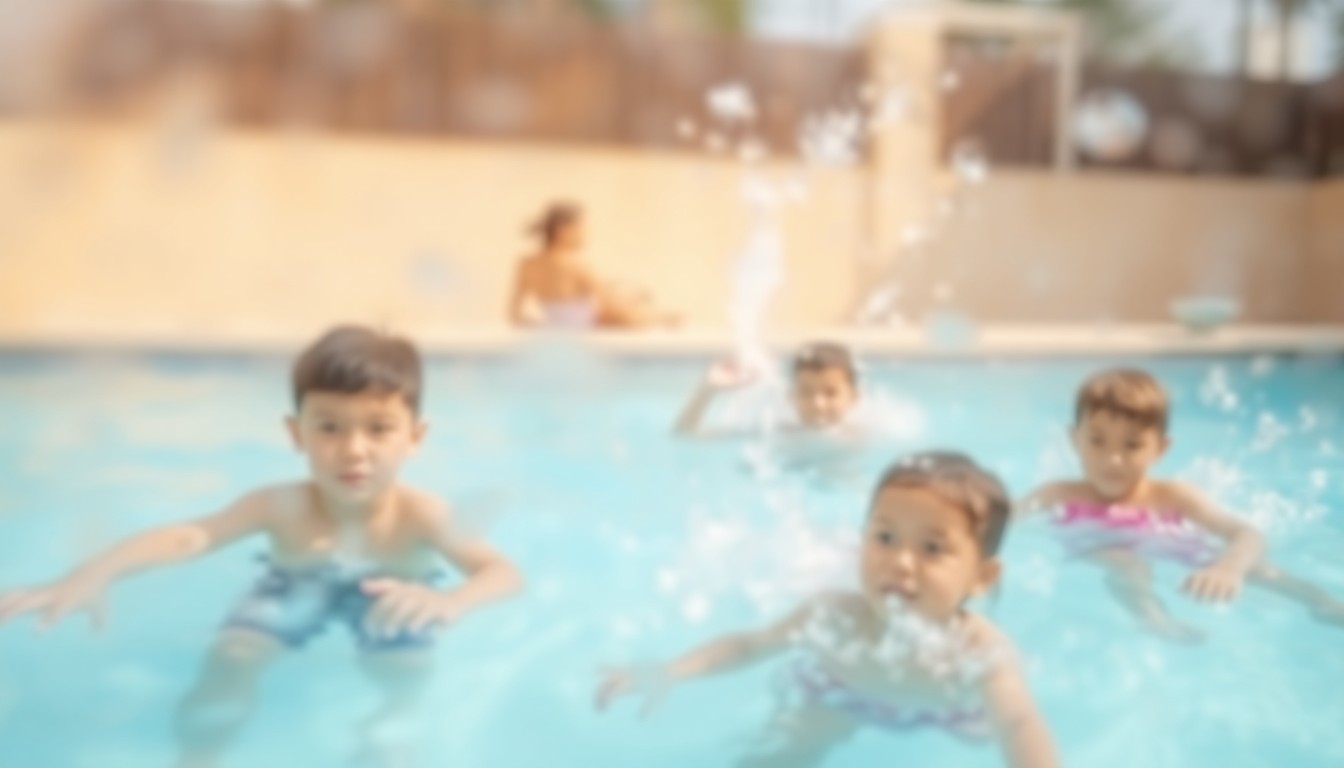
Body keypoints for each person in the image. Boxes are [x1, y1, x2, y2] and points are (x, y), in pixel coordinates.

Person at [0, 325, 524, 767]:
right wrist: (95, 571)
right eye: (329, 428)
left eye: (379, 428)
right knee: (232, 655)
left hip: (391, 593)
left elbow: (502, 572)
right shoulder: (277, 505)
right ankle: (198, 756)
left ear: (416, 436)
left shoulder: (423, 514)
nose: (354, 449)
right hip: (295, 583)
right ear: (296, 433)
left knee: (404, 672)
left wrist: (451, 601)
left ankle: (384, 736)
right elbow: (190, 536)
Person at [596, 451, 1058, 768]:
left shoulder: (980, 649)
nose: (899, 561)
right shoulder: (838, 615)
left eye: (932, 548)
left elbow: (1019, 722)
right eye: (885, 537)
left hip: (945, 713)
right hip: (840, 693)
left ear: (982, 577)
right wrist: (671, 670)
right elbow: (750, 644)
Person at [1018, 367, 1344, 643]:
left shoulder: (1172, 496)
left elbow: (1247, 533)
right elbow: (1005, 519)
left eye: (1131, 445)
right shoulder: (1057, 495)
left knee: (1257, 569)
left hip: (1175, 553)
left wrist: (1228, 568)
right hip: (1105, 557)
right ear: (1075, 439)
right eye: (1097, 440)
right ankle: (1153, 619)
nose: (1112, 459)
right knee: (1124, 561)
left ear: (1160, 448)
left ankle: (1325, 603)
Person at [507, 201, 679, 330]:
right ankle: (663, 314)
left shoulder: (526, 263)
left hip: (556, 325)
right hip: (588, 325)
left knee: (627, 293)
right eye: (581, 229)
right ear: (563, 231)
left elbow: (515, 315)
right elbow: (616, 308)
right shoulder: (575, 265)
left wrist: (543, 328)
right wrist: (659, 317)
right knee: (635, 300)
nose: (585, 235)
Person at [674, 342, 861, 438]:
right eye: (806, 392)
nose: (818, 403)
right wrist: (708, 390)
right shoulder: (780, 435)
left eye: (831, 393)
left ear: (854, 398)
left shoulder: (865, 438)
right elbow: (685, 433)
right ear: (791, 397)